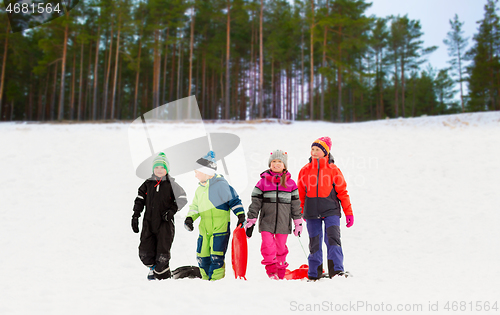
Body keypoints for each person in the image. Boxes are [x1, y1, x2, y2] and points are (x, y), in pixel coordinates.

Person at [297, 137, 354, 280]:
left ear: (325, 152)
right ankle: (314, 273)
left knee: (333, 239)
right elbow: (300, 194)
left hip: (331, 211)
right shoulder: (305, 170)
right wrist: (300, 211)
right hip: (311, 212)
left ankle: (337, 271)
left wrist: (349, 212)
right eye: (312, 149)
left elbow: (343, 192)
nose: (314, 152)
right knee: (314, 242)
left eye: (318, 150)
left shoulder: (334, 170)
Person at [184, 150, 245, 281]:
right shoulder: (199, 189)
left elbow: (234, 200)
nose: (195, 176)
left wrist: (240, 215)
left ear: (206, 172)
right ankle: (206, 280)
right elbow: (195, 207)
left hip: (220, 229)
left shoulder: (221, 185)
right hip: (204, 229)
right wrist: (190, 218)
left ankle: (216, 283)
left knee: (216, 257)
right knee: (202, 256)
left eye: (197, 172)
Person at [245, 150, 303, 280]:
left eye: (279, 162)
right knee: (267, 245)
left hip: (283, 222)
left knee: (281, 247)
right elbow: (255, 203)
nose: (276, 164)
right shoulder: (262, 183)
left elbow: (296, 205)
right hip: (267, 221)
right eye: (273, 161)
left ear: (284, 165)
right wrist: (251, 220)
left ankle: (281, 271)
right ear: (270, 164)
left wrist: (298, 222)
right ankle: (271, 270)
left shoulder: (291, 184)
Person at [131, 152, 188, 280]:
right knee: (145, 253)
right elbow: (139, 200)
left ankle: (162, 277)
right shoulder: (147, 184)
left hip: (165, 224)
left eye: (162, 167)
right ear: (153, 169)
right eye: (156, 167)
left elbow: (182, 198)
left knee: (162, 255)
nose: (159, 170)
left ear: (167, 169)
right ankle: (153, 269)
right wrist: (135, 216)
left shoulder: (171, 185)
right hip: (149, 223)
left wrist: (172, 211)